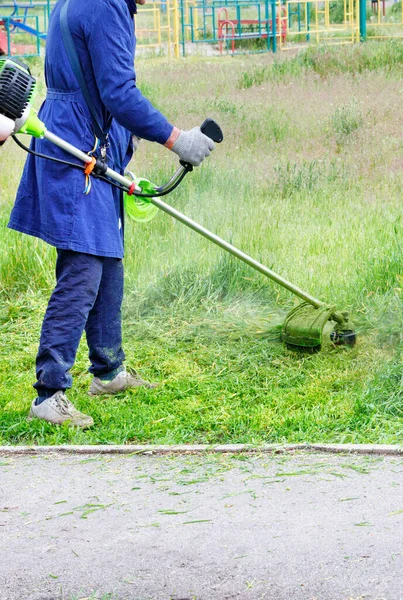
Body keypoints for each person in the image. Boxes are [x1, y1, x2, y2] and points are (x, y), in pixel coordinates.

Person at [8, 0, 215, 428]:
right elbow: (118, 92)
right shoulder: (105, 6)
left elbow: (91, 84)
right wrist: (178, 140)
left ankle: (107, 371)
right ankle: (49, 393)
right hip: (79, 148)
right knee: (83, 267)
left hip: (83, 139)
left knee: (107, 260)